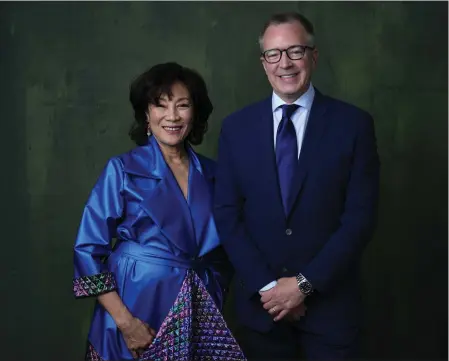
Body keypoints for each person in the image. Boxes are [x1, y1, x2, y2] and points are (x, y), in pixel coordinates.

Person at [213, 12, 380, 360]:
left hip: (332, 311)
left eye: (295, 51)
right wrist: (271, 290)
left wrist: (303, 286)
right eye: (274, 53)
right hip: (262, 312)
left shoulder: (354, 126)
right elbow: (228, 216)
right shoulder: (235, 128)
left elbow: (359, 220)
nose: (284, 63)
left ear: (313, 57)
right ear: (263, 63)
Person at [73, 62, 245, 361]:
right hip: (135, 307)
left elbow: (226, 246)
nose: (173, 116)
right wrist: (126, 323)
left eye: (183, 105)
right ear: (146, 114)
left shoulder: (215, 174)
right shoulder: (123, 169)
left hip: (197, 311)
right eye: (161, 105)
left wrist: (213, 291)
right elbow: (87, 250)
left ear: (195, 114)